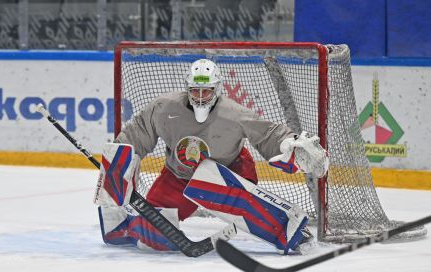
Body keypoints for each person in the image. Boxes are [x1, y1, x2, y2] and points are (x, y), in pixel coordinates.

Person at [94, 59, 328, 254]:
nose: (201, 96)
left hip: (232, 170)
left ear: (217, 90)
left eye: (207, 91)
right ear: (187, 88)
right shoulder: (164, 108)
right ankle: (128, 227)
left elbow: (267, 134)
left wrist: (289, 144)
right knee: (154, 237)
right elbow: (137, 134)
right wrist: (116, 159)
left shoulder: (234, 113)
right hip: (178, 175)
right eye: (195, 90)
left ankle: (290, 229)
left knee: (208, 177)